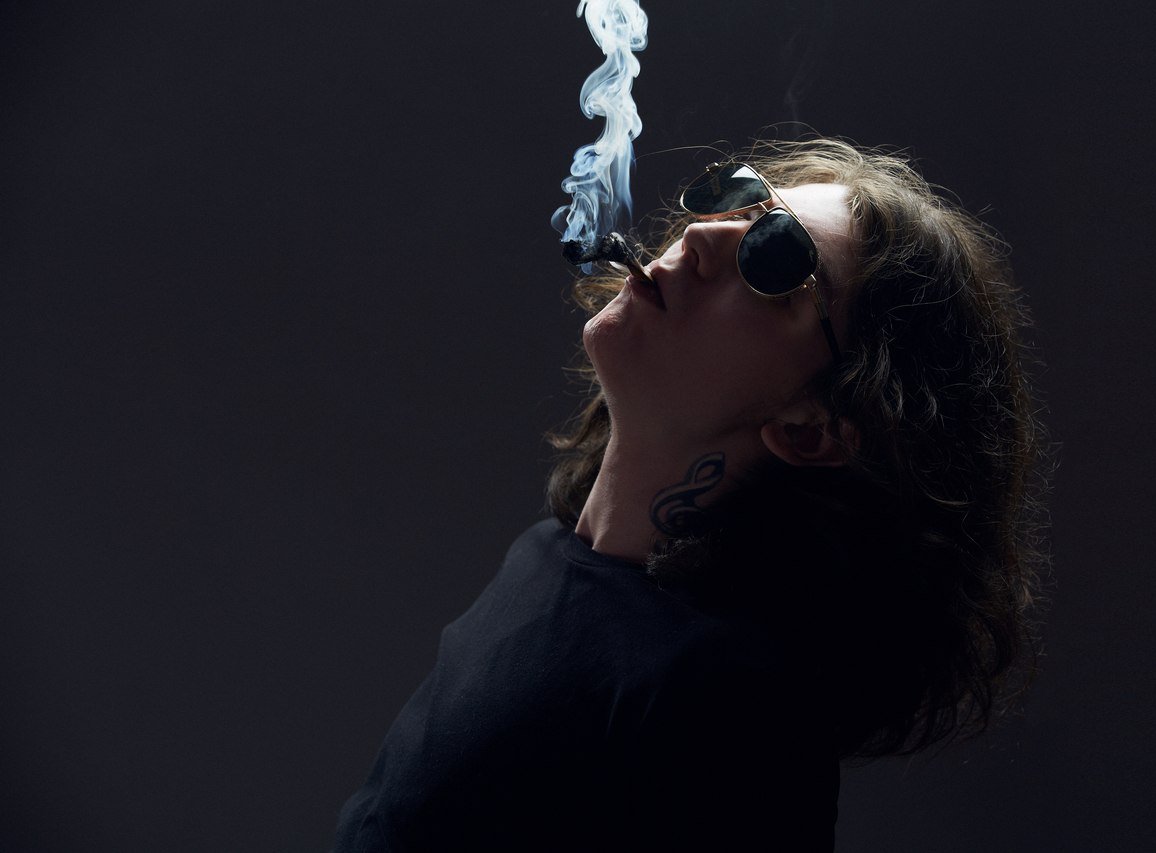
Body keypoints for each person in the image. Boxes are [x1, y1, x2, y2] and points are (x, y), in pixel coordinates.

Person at [333, 137, 1047, 852]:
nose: (703, 236)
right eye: (741, 202)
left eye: (774, 256)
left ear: (810, 431)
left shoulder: (731, 716)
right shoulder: (552, 551)